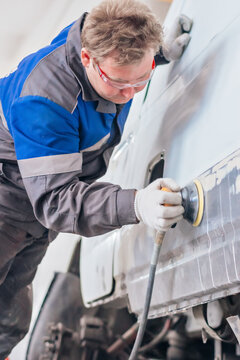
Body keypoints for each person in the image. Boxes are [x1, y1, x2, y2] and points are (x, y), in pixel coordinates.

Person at [0, 0, 192, 357]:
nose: (129, 94)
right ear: (87, 59)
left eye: (142, 80)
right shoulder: (44, 99)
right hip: (7, 201)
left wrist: (160, 55)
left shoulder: (108, 46)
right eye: (120, 83)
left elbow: (132, 59)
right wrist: (135, 203)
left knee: (10, 315)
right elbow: (57, 201)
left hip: (32, 210)